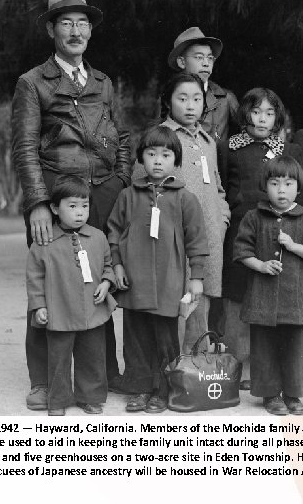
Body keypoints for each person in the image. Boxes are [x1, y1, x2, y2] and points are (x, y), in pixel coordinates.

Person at [11, 0, 132, 411]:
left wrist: (119, 180)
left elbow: (120, 137)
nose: (76, 31)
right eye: (66, 23)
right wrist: (38, 203)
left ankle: (104, 374)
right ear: (51, 30)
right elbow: (25, 148)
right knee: (50, 285)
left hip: (101, 193)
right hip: (57, 196)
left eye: (82, 23)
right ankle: (44, 380)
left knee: (98, 279)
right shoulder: (32, 82)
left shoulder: (103, 82)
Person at [106, 125, 209, 414]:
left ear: (175, 161)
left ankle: (162, 391)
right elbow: (113, 232)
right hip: (134, 282)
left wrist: (197, 278)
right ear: (141, 159)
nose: (158, 160)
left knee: (166, 339)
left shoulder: (185, 199)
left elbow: (197, 241)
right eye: (151, 154)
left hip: (168, 282)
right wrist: (116, 265)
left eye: (165, 154)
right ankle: (138, 389)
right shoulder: (128, 196)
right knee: (136, 337)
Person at [233, 156, 303, 415]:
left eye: (288, 184)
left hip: (295, 299)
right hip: (261, 298)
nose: (281, 190)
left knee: (295, 349)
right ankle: (271, 395)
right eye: (275, 183)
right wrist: (261, 266)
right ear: (265, 185)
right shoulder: (254, 217)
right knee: (264, 347)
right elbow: (242, 251)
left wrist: (294, 246)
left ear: (299, 187)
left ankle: (293, 395)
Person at [25, 175, 117, 416]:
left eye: (84, 206)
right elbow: (34, 279)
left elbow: (108, 265)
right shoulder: (43, 243)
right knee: (58, 359)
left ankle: (91, 397)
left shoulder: (97, 237)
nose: (80, 213)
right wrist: (39, 306)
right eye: (72, 206)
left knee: (92, 356)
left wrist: (107, 283)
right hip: (60, 312)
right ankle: (58, 400)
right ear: (55, 208)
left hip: (92, 310)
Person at [219, 87, 288, 389]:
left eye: (269, 113)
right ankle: (236, 363)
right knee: (237, 294)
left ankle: (266, 365)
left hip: (274, 231)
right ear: (245, 114)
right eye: (256, 112)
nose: (262, 119)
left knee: (267, 292)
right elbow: (221, 185)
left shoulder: (285, 151)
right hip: (239, 230)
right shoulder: (228, 147)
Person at [156, 73, 230, 353]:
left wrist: (221, 219)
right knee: (179, 299)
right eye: (182, 98)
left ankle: (198, 367)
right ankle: (175, 368)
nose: (190, 105)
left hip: (210, 236)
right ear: (168, 101)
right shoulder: (162, 137)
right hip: (176, 238)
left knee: (204, 297)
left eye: (197, 99)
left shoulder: (208, 140)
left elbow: (218, 187)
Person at [167, 27, 239, 147]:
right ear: (181, 62)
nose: (206, 63)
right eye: (199, 57)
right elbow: (155, 140)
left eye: (210, 58)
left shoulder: (226, 99)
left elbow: (251, 132)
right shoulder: (168, 98)